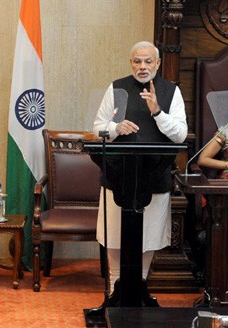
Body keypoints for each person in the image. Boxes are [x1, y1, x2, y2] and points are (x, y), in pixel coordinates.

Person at [92, 41, 188, 296]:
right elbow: (97, 128)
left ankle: (139, 291)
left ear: (157, 63)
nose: (142, 66)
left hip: (154, 178)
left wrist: (157, 112)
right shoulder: (117, 88)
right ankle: (115, 292)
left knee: (148, 237)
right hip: (118, 177)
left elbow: (180, 135)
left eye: (148, 61)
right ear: (130, 63)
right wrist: (115, 128)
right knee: (114, 236)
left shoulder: (170, 91)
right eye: (137, 61)